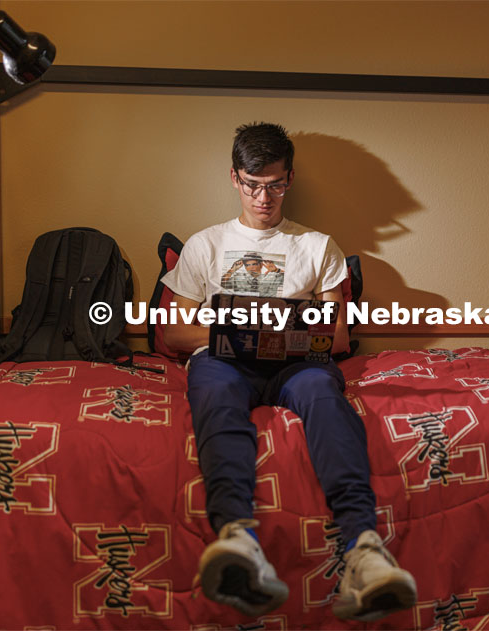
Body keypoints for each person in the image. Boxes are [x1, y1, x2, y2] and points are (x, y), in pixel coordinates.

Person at [161, 122, 417, 622]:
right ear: (235, 179)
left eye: (275, 185)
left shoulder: (318, 247)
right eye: (253, 184)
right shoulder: (205, 245)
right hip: (223, 360)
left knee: (325, 396)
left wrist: (278, 337)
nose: (263, 197)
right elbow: (173, 334)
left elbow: (339, 337)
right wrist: (237, 330)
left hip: (298, 364)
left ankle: (364, 549)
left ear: (290, 180)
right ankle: (238, 537)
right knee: (214, 399)